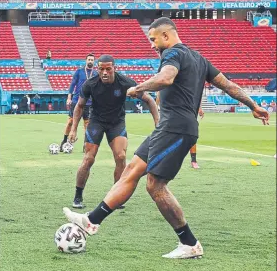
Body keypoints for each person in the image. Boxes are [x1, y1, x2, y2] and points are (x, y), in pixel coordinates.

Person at [63, 18, 269, 259]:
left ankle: (189, 243)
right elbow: (228, 85)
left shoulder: (172, 54)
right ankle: (91, 221)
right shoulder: (199, 59)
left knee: (155, 185)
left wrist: (138, 88)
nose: (152, 45)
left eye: (153, 39)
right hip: (170, 127)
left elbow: (166, 78)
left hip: (176, 127)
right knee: (131, 169)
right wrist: (254, 105)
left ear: (166, 36)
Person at [68, 54, 159, 209]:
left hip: (116, 123)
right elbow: (79, 106)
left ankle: (115, 197)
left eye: (108, 69)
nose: (104, 72)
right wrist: (73, 130)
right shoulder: (90, 84)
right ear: (97, 69)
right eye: (101, 69)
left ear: (114, 69)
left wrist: (158, 123)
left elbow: (149, 100)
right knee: (89, 159)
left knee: (121, 156)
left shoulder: (125, 83)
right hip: (96, 122)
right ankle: (78, 196)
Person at [60, 54, 98, 152]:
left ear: (94, 62)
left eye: (92, 60)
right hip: (77, 101)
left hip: (89, 103)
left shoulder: (95, 74)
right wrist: (69, 98)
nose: (90, 61)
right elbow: (72, 84)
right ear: (86, 60)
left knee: (87, 124)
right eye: (89, 59)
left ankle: (86, 145)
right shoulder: (79, 71)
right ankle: (64, 141)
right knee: (70, 122)